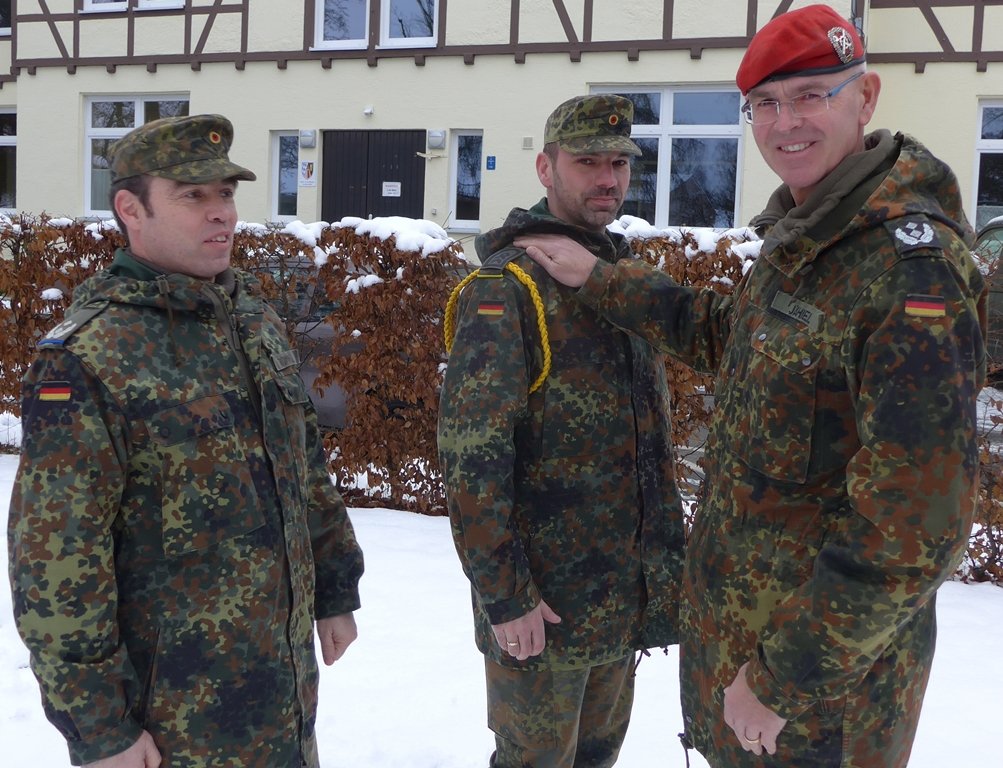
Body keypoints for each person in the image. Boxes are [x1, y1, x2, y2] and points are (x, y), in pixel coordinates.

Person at [516, 6, 987, 768]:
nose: (783, 123)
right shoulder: (808, 239)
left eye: (808, 96)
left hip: (819, 703)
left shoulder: (906, 269)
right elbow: (730, 338)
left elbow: (912, 529)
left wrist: (780, 679)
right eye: (763, 104)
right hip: (748, 672)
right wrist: (602, 280)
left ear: (863, 100)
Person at [7, 114, 365, 768]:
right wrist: (99, 727)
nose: (219, 213)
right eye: (192, 195)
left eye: (224, 193)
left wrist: (335, 584)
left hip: (278, 696)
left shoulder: (248, 318)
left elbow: (301, 464)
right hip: (172, 721)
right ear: (130, 208)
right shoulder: (91, 356)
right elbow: (55, 561)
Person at [437, 94, 685, 768]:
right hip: (544, 609)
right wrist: (504, 594)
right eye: (586, 162)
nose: (606, 178)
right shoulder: (508, 289)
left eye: (617, 163)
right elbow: (471, 457)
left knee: (596, 758)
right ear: (546, 169)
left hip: (618, 600)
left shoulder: (617, 279)